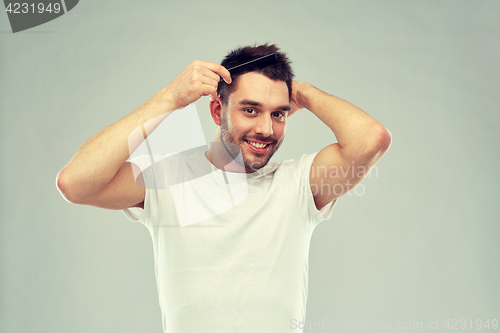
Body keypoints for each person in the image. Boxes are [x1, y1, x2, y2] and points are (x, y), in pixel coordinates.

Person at [56, 43, 391, 332]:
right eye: (250, 109)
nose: (266, 129)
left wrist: (300, 91)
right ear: (218, 110)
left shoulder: (299, 183)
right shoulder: (169, 179)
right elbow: (75, 183)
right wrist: (170, 98)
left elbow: (371, 139)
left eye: (279, 114)